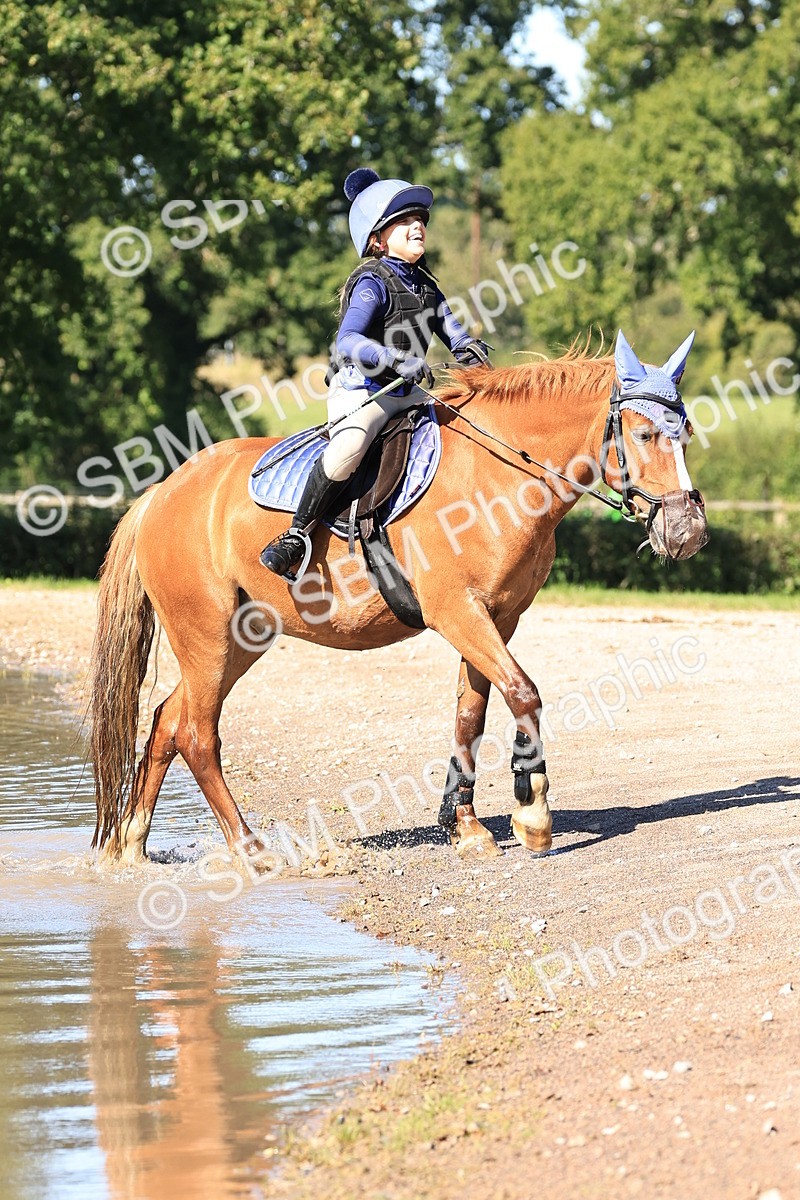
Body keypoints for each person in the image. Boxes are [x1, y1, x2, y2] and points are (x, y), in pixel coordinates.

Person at [259, 167, 491, 579]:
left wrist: (471, 351)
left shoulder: (426, 286)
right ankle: (295, 535)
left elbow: (453, 332)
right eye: (404, 220)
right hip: (363, 391)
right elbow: (347, 341)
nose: (417, 225)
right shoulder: (371, 282)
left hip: (409, 392)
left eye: (420, 218)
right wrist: (396, 360)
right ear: (377, 239)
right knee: (348, 450)